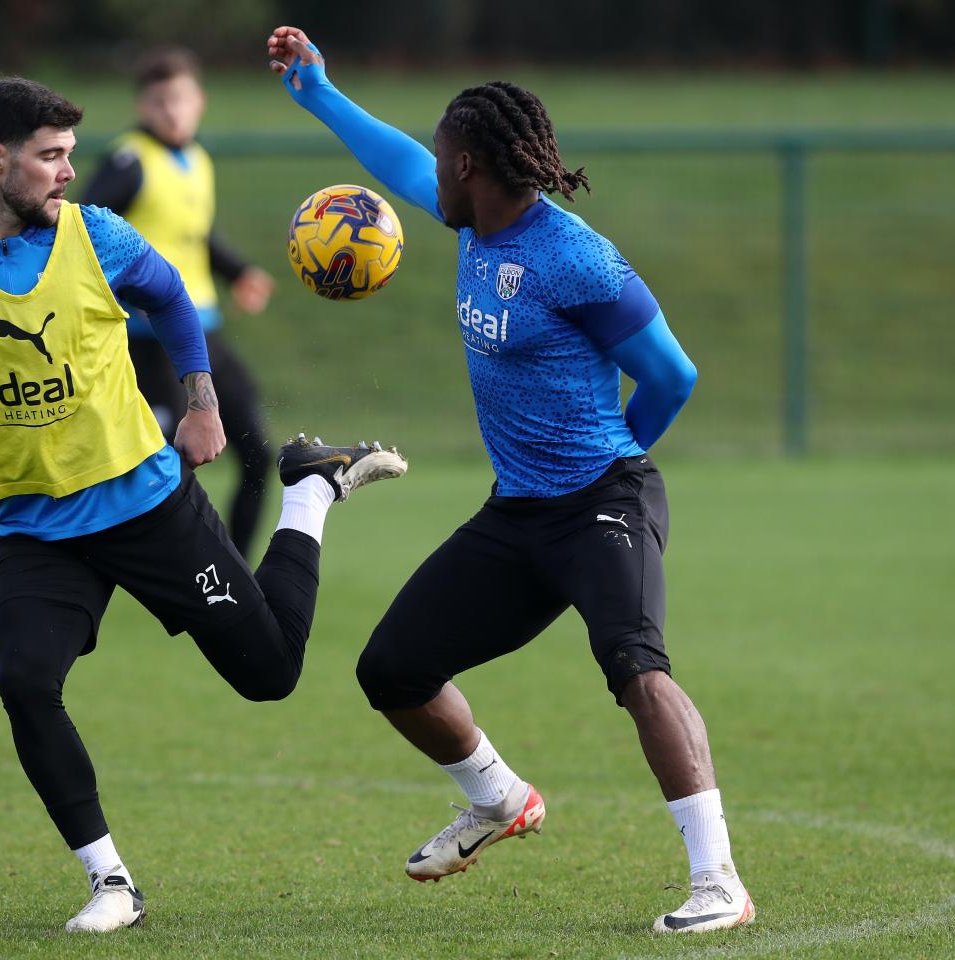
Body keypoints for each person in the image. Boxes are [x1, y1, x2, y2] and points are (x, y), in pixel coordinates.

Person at [0, 76, 405, 935]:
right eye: (51, 157)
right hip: (36, 529)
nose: (69, 172)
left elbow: (172, 300)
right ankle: (113, 883)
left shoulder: (99, 235)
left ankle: (308, 490)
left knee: (271, 676)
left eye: (72, 154)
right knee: (26, 680)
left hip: (149, 507)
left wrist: (201, 400)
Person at [267, 26, 754, 935]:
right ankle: (497, 799)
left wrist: (608, 468)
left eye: (445, 161)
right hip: (518, 513)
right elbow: (400, 157)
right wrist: (319, 93)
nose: (431, 176)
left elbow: (672, 375)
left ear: (477, 169)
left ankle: (718, 879)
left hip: (602, 501)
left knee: (638, 670)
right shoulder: (472, 216)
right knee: (393, 668)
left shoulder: (573, 256)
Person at [81, 47, 275, 558]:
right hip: (147, 339)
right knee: (171, 467)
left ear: (200, 102)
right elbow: (80, 230)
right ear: (143, 106)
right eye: (159, 101)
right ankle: (135, 564)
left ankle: (235, 569)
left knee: (258, 452)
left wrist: (238, 273)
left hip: (202, 331)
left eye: (180, 100)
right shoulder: (129, 161)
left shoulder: (197, 160)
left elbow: (195, 231)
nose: (171, 111)